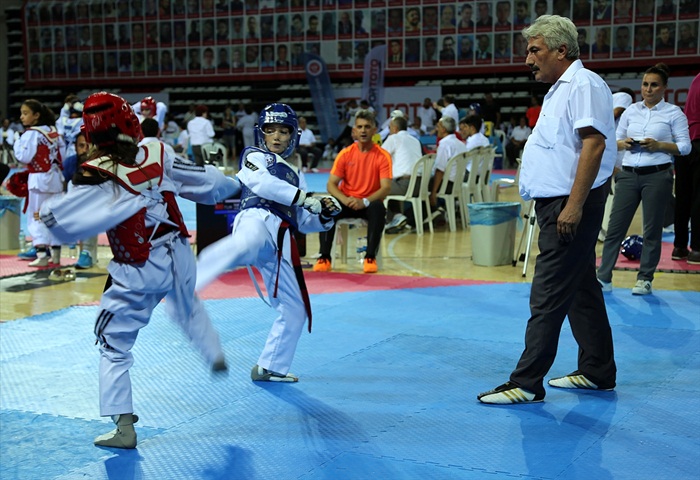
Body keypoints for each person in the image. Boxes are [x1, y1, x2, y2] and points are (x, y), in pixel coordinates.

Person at [38, 92, 239, 448]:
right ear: (131, 120)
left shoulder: (99, 177)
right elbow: (207, 182)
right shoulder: (158, 152)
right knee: (186, 306)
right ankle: (213, 351)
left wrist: (61, 204)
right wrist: (237, 185)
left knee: (112, 344)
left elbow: (57, 222)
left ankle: (124, 427)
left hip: (139, 267)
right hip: (179, 254)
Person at [478, 15, 618, 405]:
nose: (528, 58)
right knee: (580, 290)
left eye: (534, 50)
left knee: (548, 293)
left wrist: (572, 207)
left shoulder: (584, 84)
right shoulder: (561, 88)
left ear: (561, 50)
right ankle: (597, 370)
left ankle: (526, 381)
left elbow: (594, 145)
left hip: (570, 203)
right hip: (560, 202)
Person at [195, 103, 341, 382]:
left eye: (283, 131)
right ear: (261, 133)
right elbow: (262, 185)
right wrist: (305, 199)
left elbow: (303, 220)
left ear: (293, 135)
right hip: (257, 218)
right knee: (247, 243)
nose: (276, 137)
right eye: (270, 130)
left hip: (281, 238)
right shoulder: (254, 157)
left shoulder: (298, 174)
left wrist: (325, 215)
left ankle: (270, 366)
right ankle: (188, 280)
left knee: (294, 309)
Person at [597, 64, 691, 295]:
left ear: (664, 88)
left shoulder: (674, 113)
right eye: (645, 84)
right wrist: (623, 145)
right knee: (615, 229)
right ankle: (603, 277)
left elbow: (686, 147)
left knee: (652, 230)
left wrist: (659, 145)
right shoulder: (631, 111)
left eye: (654, 85)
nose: (648, 89)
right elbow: (614, 140)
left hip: (658, 175)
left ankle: (645, 278)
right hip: (628, 175)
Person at [313, 109, 392, 274]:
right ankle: (324, 257)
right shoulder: (345, 154)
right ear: (354, 130)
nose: (363, 130)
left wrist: (364, 201)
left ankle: (370, 257)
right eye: (360, 127)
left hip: (368, 204)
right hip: (347, 202)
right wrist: (344, 199)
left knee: (378, 208)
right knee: (326, 207)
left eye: (367, 127)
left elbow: (385, 188)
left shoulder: (383, 156)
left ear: (374, 130)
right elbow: (331, 184)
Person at [11, 99, 65, 267]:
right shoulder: (54, 132)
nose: (22, 117)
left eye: (25, 113)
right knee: (54, 217)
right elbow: (63, 153)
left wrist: (17, 142)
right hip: (56, 179)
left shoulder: (31, 134)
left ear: (36, 116)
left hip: (39, 181)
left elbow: (24, 157)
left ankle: (42, 254)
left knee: (37, 217)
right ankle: (56, 255)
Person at [60, 130, 97, 269]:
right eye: (81, 146)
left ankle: (86, 251)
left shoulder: (102, 162)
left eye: (88, 146)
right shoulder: (71, 162)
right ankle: (43, 249)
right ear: (75, 147)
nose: (85, 150)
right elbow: (62, 188)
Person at [673, 75, 700, 264]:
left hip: (685, 143)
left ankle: (679, 247)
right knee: (699, 197)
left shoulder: (696, 79)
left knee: (683, 196)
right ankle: (697, 249)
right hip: (699, 142)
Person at [382, 115, 423, 232]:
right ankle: (397, 217)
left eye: (389, 128)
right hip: (419, 186)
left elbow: (378, 157)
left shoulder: (394, 138)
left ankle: (395, 217)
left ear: (394, 129)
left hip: (405, 185)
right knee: (390, 182)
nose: (389, 131)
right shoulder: (415, 141)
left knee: (375, 188)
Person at [429, 116, 467, 218]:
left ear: (443, 129)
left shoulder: (445, 144)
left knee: (421, 184)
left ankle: (432, 213)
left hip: (447, 185)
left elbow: (440, 171)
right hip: (458, 183)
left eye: (438, 126)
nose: (436, 129)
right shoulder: (461, 144)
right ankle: (440, 209)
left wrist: (433, 193)